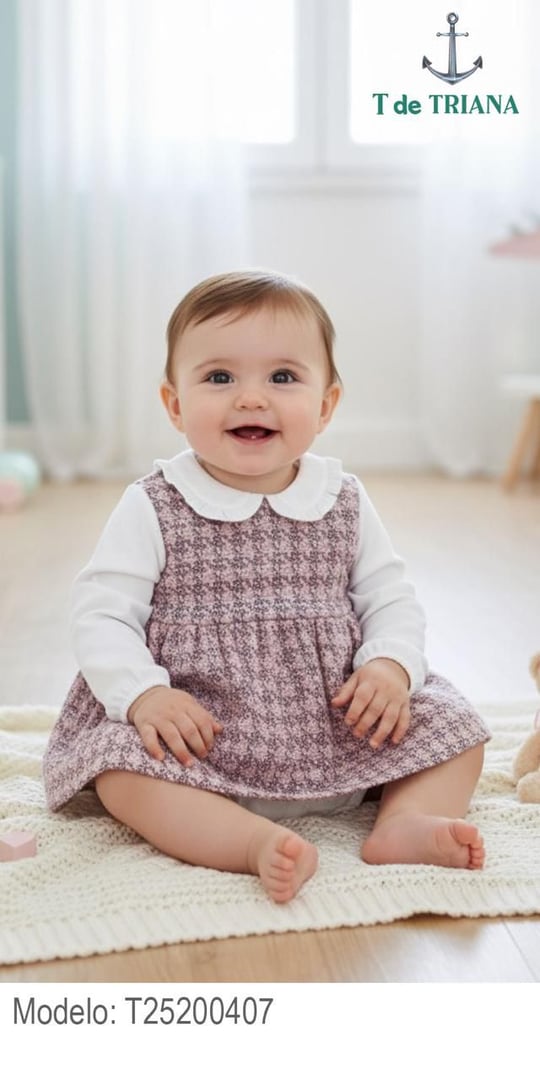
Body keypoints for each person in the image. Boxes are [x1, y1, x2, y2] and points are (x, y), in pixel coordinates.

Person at [43, 269, 490, 904]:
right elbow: (101, 616)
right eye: (219, 378)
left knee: (454, 725)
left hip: (337, 725)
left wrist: (389, 668)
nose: (251, 398)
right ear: (174, 404)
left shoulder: (343, 499)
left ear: (326, 405)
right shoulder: (155, 504)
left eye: (283, 378)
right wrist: (144, 697)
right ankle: (243, 841)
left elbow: (391, 600)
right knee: (117, 765)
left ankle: (402, 823)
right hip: (201, 739)